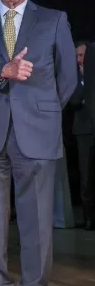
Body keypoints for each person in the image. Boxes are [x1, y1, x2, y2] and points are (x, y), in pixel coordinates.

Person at [0, 0, 76, 285]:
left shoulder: (54, 19)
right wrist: (2, 72)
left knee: (37, 223)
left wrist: (41, 111)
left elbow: (68, 78)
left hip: (38, 133)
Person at [73, 41, 94, 229]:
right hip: (83, 130)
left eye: (82, 56)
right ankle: (88, 217)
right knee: (85, 175)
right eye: (77, 57)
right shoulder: (74, 77)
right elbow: (72, 100)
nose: (80, 60)